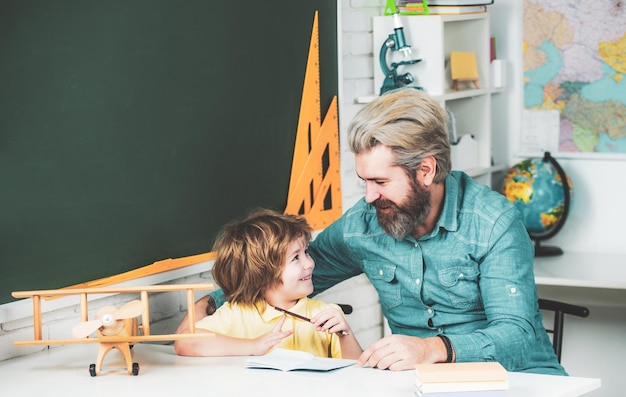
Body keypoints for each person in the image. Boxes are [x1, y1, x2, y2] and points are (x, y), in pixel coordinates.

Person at [184, 88, 566, 375]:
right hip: (420, 383)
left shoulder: (493, 222)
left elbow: (518, 337)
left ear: (426, 171)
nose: (369, 196)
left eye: (380, 181)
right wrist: (212, 303)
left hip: (520, 380)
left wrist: (431, 349)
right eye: (364, 180)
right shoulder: (364, 224)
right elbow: (281, 274)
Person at [174, 208, 362, 359]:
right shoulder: (237, 312)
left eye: (307, 252)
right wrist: (253, 346)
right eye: (296, 258)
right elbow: (184, 342)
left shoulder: (326, 314)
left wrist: (345, 335)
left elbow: (361, 376)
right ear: (263, 274)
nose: (310, 263)